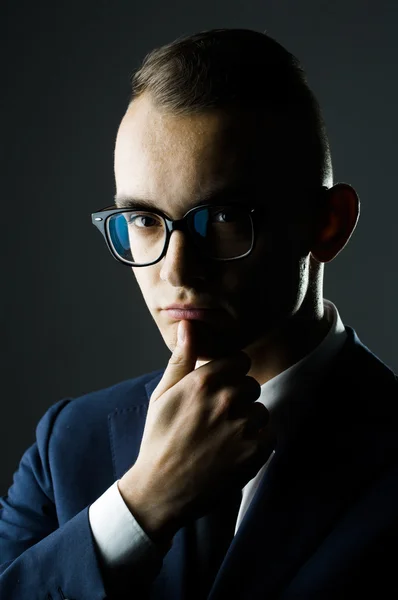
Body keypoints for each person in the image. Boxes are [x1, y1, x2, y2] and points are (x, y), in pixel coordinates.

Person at [1, 27, 397, 600]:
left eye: (224, 218)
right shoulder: (67, 444)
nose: (178, 272)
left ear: (327, 224)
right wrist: (140, 506)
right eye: (143, 220)